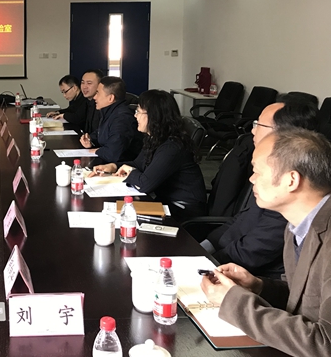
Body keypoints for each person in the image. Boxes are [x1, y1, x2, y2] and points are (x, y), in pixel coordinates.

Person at [201, 129, 331, 357]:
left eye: (257, 171)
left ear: (291, 180)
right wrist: (259, 286)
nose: (251, 179)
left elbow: (324, 343)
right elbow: (303, 295)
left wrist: (234, 302)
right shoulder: (296, 225)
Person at [200, 100, 319, 278]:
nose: (252, 130)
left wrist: (206, 263)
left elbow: (255, 250)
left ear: (282, 134)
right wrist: (204, 247)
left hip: (251, 273)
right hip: (238, 266)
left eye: (258, 124)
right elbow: (241, 219)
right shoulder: (265, 167)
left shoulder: (290, 191)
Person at [90, 89, 206, 222]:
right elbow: (138, 164)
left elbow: (144, 184)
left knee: (122, 218)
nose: (135, 116)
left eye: (138, 111)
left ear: (154, 116)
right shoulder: (156, 138)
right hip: (165, 204)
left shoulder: (172, 147)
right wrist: (113, 166)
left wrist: (130, 170)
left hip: (183, 212)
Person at [79, 76, 142, 164]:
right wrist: (90, 139)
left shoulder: (122, 118)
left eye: (98, 93)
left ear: (110, 98)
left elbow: (112, 153)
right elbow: (103, 133)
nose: (94, 97)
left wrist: (97, 151)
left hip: (121, 167)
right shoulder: (109, 112)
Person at [81, 69, 104, 136]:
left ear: (100, 85)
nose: (84, 87)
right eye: (82, 83)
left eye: (89, 83)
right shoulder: (87, 102)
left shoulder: (102, 105)